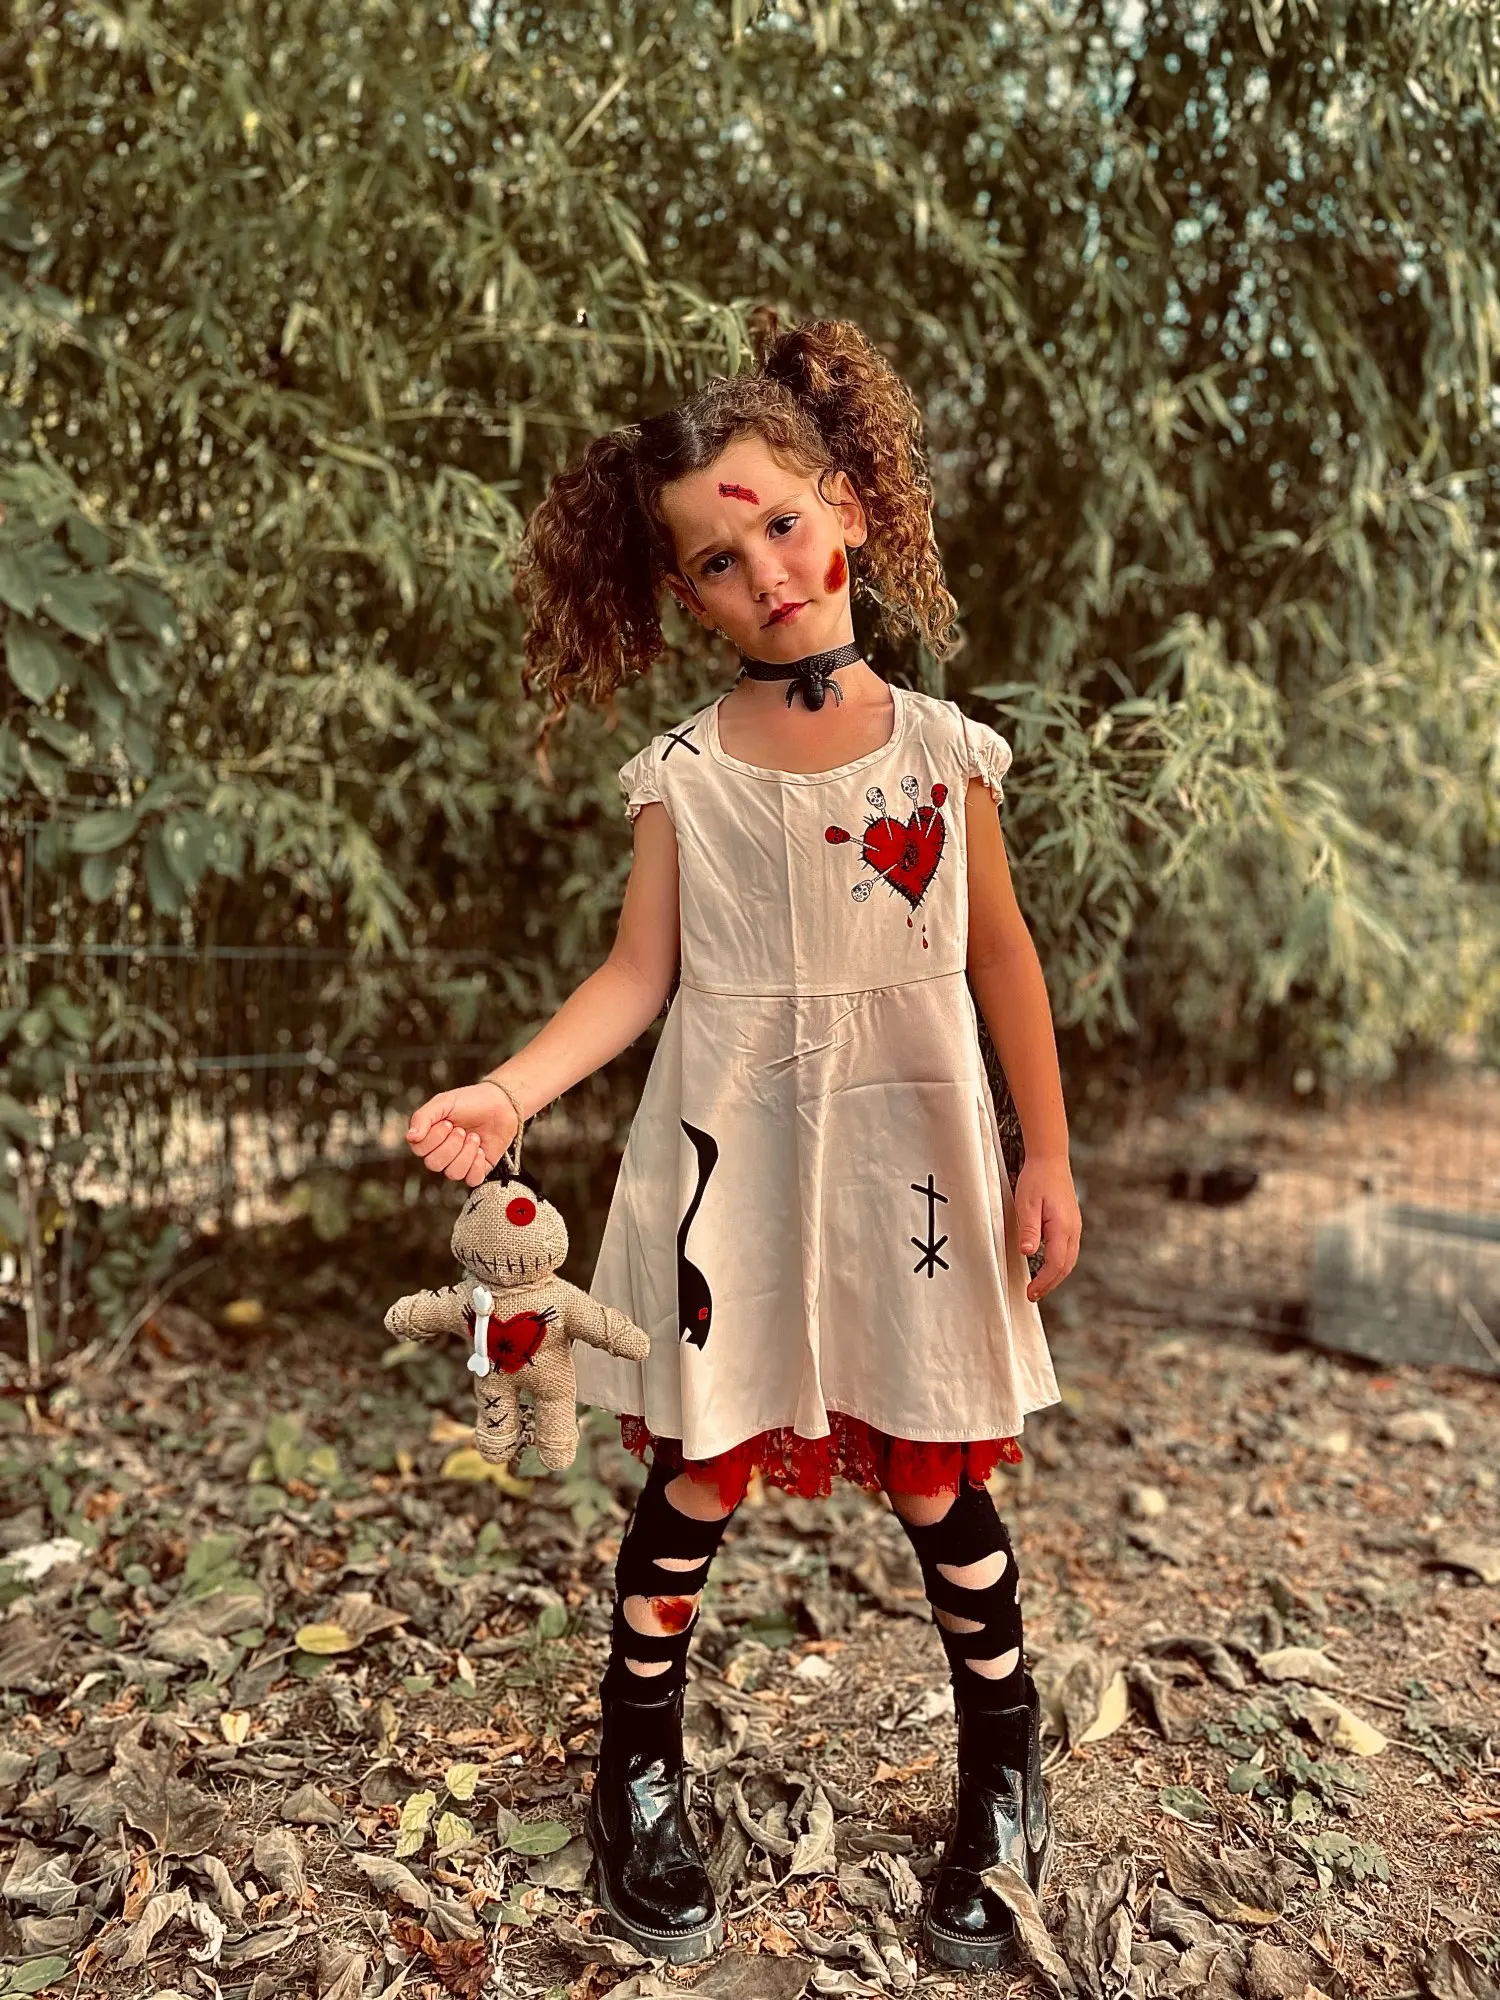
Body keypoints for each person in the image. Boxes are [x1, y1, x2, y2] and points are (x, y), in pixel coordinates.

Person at [402, 313, 1081, 1974]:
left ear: (846, 502)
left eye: (781, 521)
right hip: (733, 1157)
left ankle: (1004, 1769)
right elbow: (636, 977)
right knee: (698, 1468)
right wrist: (511, 1092)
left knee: (933, 1468)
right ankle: (638, 1766)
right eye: (718, 558)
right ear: (682, 595)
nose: (765, 570)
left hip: (914, 1157)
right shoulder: (686, 778)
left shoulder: (943, 751)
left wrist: (1048, 1153)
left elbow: (1001, 957)